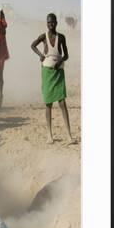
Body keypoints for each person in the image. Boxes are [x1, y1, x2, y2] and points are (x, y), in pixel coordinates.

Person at [31, 13, 76, 145]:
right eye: (49, 22)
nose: (51, 24)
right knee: (48, 104)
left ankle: (69, 135)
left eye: (53, 22)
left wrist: (60, 60)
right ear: (47, 23)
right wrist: (40, 55)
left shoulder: (61, 37)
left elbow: (66, 55)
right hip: (46, 71)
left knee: (62, 103)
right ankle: (49, 135)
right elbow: (33, 45)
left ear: (56, 23)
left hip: (59, 71)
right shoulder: (43, 36)